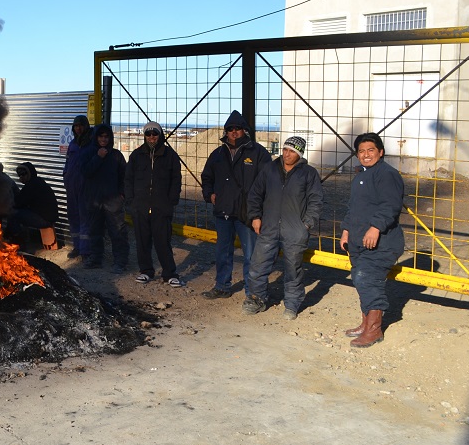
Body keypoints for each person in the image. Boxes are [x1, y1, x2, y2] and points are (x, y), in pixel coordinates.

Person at [242, 136, 324, 319]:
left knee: (293, 269)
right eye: (285, 149)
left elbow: (316, 201)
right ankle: (257, 299)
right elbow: (255, 194)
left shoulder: (308, 173)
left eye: (292, 151)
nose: (287, 154)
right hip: (268, 227)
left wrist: (307, 224)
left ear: (300, 154)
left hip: (295, 231)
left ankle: (292, 305)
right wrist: (255, 217)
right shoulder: (269, 169)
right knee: (258, 265)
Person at [340, 132, 405, 348]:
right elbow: (353, 207)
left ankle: (374, 330)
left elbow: (391, 205)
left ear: (380, 152)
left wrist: (376, 227)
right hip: (359, 241)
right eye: (361, 151)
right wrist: (346, 231)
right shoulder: (361, 175)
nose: (366, 155)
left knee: (366, 278)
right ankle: (366, 323)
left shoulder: (386, 174)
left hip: (383, 242)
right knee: (360, 279)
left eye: (370, 150)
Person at [200, 110, 272, 299]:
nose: (233, 132)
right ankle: (222, 286)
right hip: (223, 211)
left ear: (244, 130)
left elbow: (268, 182)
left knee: (250, 255)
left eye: (237, 128)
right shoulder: (217, 154)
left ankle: (252, 293)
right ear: (226, 132)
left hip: (247, 212)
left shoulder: (258, 153)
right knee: (223, 252)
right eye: (230, 129)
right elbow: (207, 177)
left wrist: (259, 210)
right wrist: (209, 194)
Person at [125, 121, 185, 287]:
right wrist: (131, 201)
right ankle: (146, 271)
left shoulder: (170, 156)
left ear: (161, 135)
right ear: (144, 136)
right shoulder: (136, 155)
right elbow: (128, 179)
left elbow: (176, 179)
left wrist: (172, 200)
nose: (152, 137)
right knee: (142, 241)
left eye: (155, 134)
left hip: (161, 207)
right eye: (148, 134)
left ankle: (169, 273)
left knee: (162, 241)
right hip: (140, 207)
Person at [81, 123, 129, 272]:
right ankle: (96, 258)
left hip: (113, 200)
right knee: (94, 231)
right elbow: (85, 172)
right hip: (94, 201)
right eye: (101, 136)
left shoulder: (116, 155)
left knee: (117, 232)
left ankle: (120, 262)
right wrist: (98, 157)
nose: (104, 139)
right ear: (96, 137)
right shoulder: (88, 153)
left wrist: (122, 194)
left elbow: (125, 176)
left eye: (106, 136)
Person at [63, 115, 93, 259]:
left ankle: (85, 251)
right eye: (76, 126)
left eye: (81, 125)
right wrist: (65, 176)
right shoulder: (73, 144)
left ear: (86, 126)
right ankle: (77, 246)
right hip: (72, 186)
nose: (78, 128)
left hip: (86, 187)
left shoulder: (92, 144)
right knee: (73, 216)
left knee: (85, 218)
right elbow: (67, 163)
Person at [7, 162, 59, 243]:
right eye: (19, 175)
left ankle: (15, 239)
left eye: (23, 174)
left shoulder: (32, 186)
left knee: (13, 214)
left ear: (30, 173)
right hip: (47, 217)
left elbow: (18, 203)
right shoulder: (37, 182)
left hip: (45, 219)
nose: (21, 177)